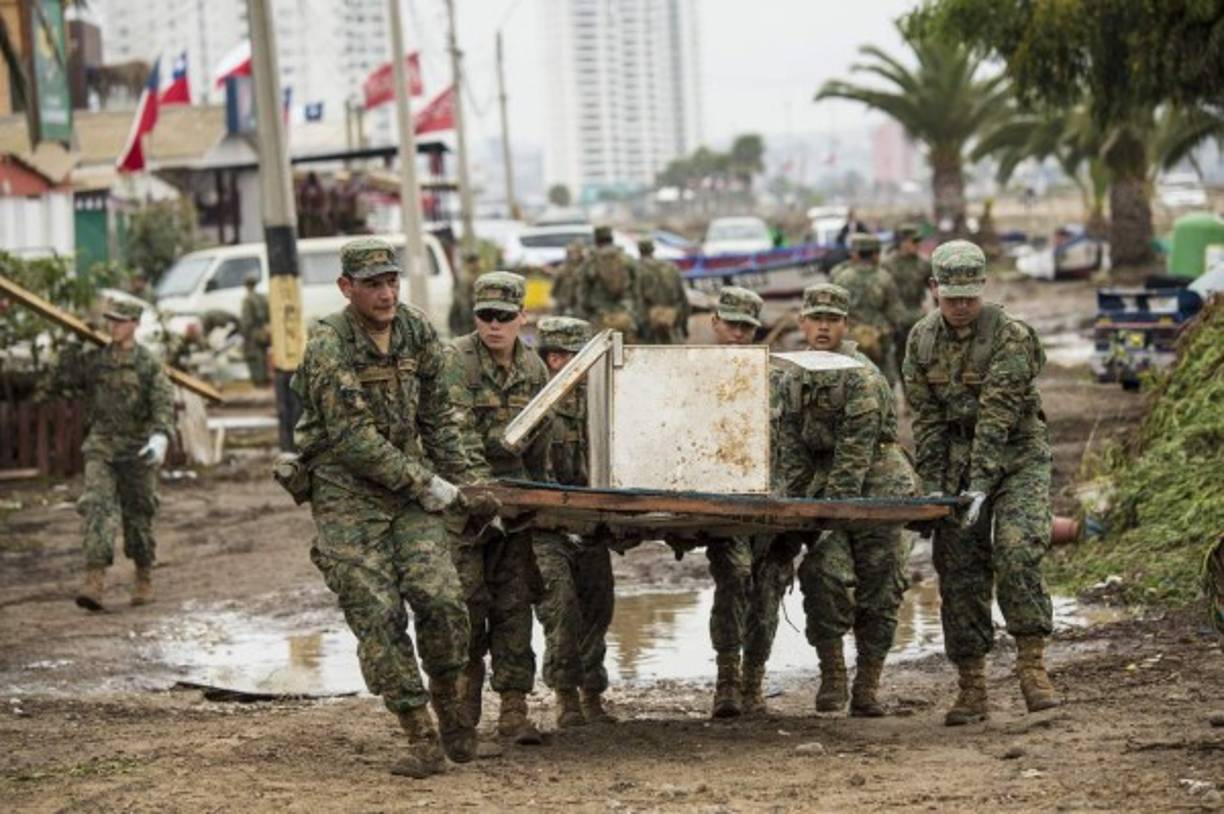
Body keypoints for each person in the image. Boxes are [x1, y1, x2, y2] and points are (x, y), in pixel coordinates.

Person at [290, 237, 483, 777]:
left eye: (392, 281)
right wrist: (427, 483)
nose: (386, 294)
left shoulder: (416, 329)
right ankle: (418, 732)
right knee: (377, 612)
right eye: (373, 284)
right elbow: (352, 439)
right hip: (345, 491)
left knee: (442, 597)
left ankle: (449, 702)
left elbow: (438, 417)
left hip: (408, 491)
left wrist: (463, 484)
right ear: (346, 287)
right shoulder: (329, 344)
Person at [902, 239, 1061, 726]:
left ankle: (1032, 667)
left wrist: (981, 482)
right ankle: (971, 686)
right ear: (935, 289)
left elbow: (997, 415)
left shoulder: (1009, 336)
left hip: (1016, 458)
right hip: (955, 465)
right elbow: (926, 420)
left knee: (1016, 551)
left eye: (970, 296)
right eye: (952, 297)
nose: (962, 306)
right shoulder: (921, 341)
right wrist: (934, 488)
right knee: (960, 569)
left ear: (983, 287)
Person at [776, 283, 917, 717]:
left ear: (845, 325)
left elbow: (856, 453)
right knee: (823, 574)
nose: (823, 327)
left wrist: (829, 512)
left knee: (880, 586)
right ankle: (833, 673)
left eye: (832, 320)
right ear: (801, 323)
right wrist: (800, 509)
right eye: (816, 319)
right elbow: (791, 449)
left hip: (878, 488)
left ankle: (867, 685)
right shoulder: (792, 378)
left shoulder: (861, 376)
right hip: (827, 488)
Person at [443, 271, 552, 745]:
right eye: (485, 315)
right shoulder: (456, 361)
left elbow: (542, 438)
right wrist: (480, 491)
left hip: (514, 507)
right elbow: (454, 436)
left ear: (522, 317)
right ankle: (462, 703)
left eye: (504, 316)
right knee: (466, 604)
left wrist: (535, 496)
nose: (494, 325)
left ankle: (513, 707)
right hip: (465, 508)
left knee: (514, 604)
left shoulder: (534, 369)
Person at [703, 286, 800, 718]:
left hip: (773, 503)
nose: (738, 334)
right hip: (723, 503)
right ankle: (726, 680)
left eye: (747, 327)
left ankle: (753, 681)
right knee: (734, 577)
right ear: (715, 323)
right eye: (731, 324)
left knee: (768, 589)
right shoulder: (695, 376)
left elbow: (795, 444)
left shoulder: (777, 379)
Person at [40, 300, 173, 611]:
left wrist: (160, 435)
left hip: (137, 450)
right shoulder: (96, 360)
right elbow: (59, 380)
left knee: (138, 515)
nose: (113, 326)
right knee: (97, 507)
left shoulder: (147, 363)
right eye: (110, 320)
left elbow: (163, 401)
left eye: (120, 321)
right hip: (101, 447)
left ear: (134, 324)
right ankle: (94, 581)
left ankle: (143, 576)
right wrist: (74, 344)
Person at [531, 316, 617, 728]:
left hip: (591, 526)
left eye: (571, 355)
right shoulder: (533, 406)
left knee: (599, 609)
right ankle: (565, 696)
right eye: (555, 355)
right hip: (547, 528)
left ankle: (593, 693)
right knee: (561, 608)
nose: (561, 363)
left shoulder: (602, 403)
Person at [832, 232, 907, 387]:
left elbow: (834, 311)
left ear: (856, 254)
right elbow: (895, 313)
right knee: (883, 382)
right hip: (879, 341)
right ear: (874, 254)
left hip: (851, 340)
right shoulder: (884, 277)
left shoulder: (841, 277)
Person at [576, 225, 641, 341]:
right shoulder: (626, 258)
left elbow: (583, 291)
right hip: (624, 312)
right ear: (611, 238)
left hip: (600, 315)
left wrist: (586, 311)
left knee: (601, 348)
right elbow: (637, 285)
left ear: (596, 239)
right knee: (626, 348)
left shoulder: (591, 261)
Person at [883, 223, 933, 370]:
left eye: (919, 241)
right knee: (898, 356)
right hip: (895, 318)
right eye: (914, 241)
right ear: (903, 242)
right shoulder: (887, 265)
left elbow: (935, 288)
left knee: (922, 355)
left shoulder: (924, 263)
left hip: (917, 314)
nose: (918, 244)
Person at [636, 237, 690, 344]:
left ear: (640, 250)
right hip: (671, 323)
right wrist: (683, 327)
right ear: (653, 249)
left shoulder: (637, 268)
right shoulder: (670, 267)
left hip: (648, 328)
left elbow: (635, 300)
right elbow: (683, 300)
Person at [240, 273, 272, 387]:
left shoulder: (247, 299)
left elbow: (247, 321)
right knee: (263, 354)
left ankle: (259, 381)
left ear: (246, 285)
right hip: (264, 331)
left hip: (253, 332)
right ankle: (266, 378)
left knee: (253, 356)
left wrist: (244, 334)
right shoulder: (262, 297)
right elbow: (269, 314)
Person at [449, 251, 482, 337]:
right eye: (477, 262)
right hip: (463, 315)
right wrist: (466, 311)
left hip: (469, 313)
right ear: (471, 264)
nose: (479, 265)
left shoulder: (474, 276)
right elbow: (462, 299)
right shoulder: (465, 277)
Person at [551, 240, 586, 317]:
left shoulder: (585, 267)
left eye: (577, 252)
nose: (575, 255)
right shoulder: (563, 268)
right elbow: (556, 285)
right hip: (564, 301)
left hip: (580, 301)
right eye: (572, 253)